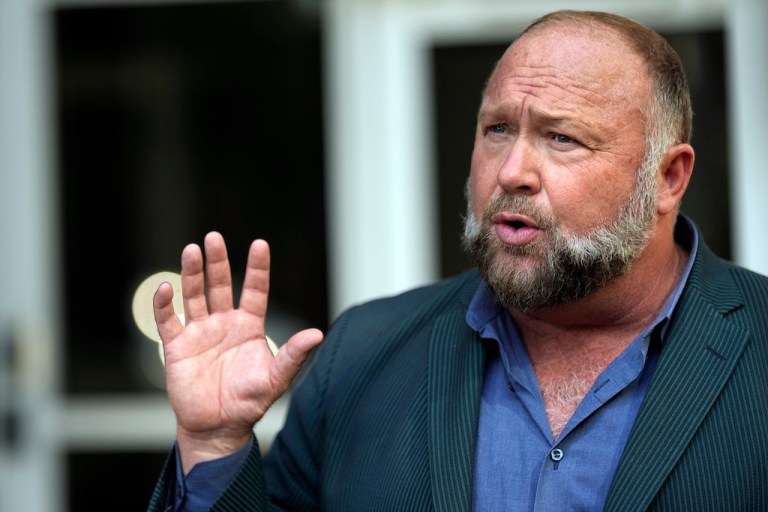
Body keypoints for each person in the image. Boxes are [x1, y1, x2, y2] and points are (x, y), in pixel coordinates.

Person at [147, 9, 768, 511]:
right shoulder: (363, 353)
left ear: (668, 177)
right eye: (498, 129)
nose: (512, 171)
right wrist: (215, 443)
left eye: (562, 137)